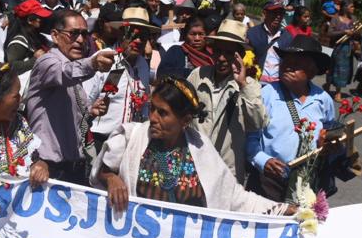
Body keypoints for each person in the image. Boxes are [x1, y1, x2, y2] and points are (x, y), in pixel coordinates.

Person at [92, 76, 290, 216]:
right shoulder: (131, 137)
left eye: (163, 113)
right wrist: (112, 179)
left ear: (185, 120)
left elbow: (235, 197)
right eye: (152, 109)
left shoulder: (202, 151)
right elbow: (101, 171)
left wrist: (283, 210)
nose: (152, 118)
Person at [26, 10, 114, 185]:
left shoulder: (73, 66)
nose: (81, 40)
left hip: (73, 169)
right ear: (55, 36)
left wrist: (90, 111)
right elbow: (64, 73)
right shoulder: (47, 62)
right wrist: (93, 63)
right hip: (46, 169)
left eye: (84, 34)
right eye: (73, 34)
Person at [247, 35, 337, 202]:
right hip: (269, 180)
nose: (287, 67)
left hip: (307, 183)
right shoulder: (265, 94)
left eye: (296, 65)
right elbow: (250, 136)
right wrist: (263, 160)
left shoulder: (323, 99)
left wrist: (329, 144)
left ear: (311, 71)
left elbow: (331, 134)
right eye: (285, 62)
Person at [187, 19, 266, 184]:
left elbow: (257, 123)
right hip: (193, 164)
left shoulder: (249, 85)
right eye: (218, 51)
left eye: (229, 53)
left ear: (241, 56)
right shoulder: (197, 75)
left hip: (226, 171)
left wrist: (242, 84)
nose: (222, 58)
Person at [85, 6, 156, 153]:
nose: (137, 41)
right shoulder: (103, 59)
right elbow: (83, 103)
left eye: (143, 36)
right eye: (132, 35)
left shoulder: (143, 64)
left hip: (131, 142)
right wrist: (92, 111)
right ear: (121, 34)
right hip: (102, 141)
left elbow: (143, 103)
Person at [247, 0, 293, 84]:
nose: (278, 16)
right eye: (274, 12)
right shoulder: (252, 34)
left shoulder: (288, 37)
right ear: (265, 13)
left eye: (281, 13)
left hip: (277, 86)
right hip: (254, 82)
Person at [4, 0, 51, 76]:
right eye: (39, 16)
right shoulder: (18, 43)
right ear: (29, 20)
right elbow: (11, 66)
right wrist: (34, 60)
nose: (42, 19)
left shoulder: (35, 36)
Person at [325, 0, 358, 102]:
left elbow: (358, 33)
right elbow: (330, 33)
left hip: (348, 49)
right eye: (351, 7)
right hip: (337, 48)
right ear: (345, 8)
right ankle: (328, 86)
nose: (353, 9)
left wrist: (356, 33)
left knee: (343, 71)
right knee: (332, 69)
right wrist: (344, 32)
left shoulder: (354, 19)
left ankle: (338, 93)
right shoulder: (335, 18)